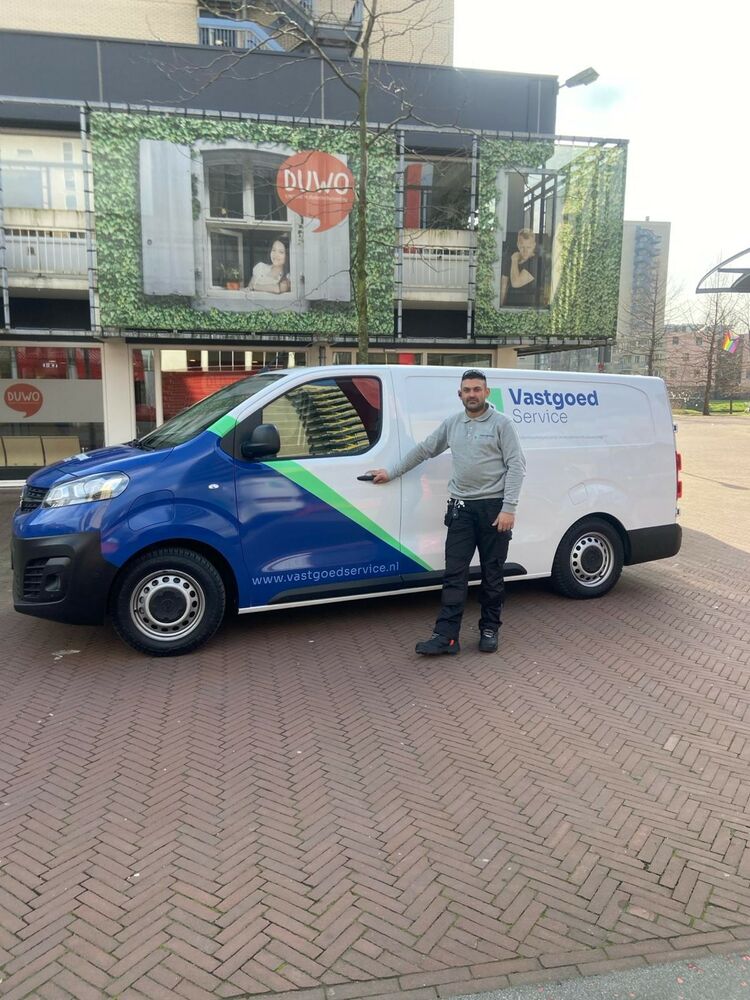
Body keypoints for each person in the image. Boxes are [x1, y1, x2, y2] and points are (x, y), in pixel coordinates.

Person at [368, 369, 525, 656]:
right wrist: (391, 472)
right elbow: (424, 450)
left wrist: (508, 508)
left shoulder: (502, 424)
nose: (472, 394)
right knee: (454, 575)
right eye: (467, 390)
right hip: (461, 510)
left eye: (477, 389)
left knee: (492, 574)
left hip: (493, 510)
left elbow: (517, 466)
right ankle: (446, 637)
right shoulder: (452, 424)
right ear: (459, 394)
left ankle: (490, 629)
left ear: (486, 392)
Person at [500, 228, 538, 307]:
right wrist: (500, 306)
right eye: (522, 247)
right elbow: (504, 285)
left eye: (528, 247)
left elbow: (515, 283)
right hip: (508, 306)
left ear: (534, 245)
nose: (525, 251)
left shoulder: (535, 262)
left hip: (526, 308)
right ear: (518, 245)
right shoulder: (510, 258)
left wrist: (514, 260)